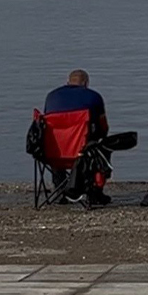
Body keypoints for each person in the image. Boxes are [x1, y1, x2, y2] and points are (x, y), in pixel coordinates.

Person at [43, 69, 110, 203]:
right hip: (81, 154)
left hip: (53, 153)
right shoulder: (93, 96)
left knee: (57, 139)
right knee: (103, 146)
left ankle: (60, 189)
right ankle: (95, 192)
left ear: (67, 82)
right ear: (85, 83)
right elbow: (103, 127)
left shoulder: (51, 96)